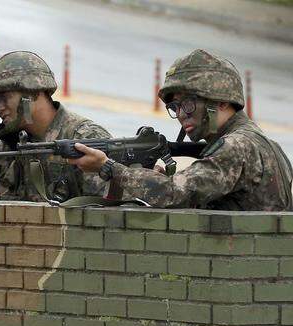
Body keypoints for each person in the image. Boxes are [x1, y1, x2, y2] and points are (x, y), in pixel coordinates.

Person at [69, 49, 292, 210]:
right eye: (174, 107)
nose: (182, 114)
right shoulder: (266, 145)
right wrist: (152, 178)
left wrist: (110, 167)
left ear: (222, 102)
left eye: (188, 104)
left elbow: (173, 194)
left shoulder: (236, 147)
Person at [0, 50, 111, 202]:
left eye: (6, 98)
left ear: (33, 92)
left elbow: (109, 209)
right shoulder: (15, 141)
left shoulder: (85, 139)